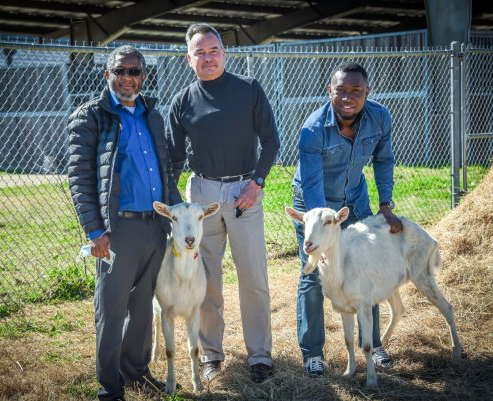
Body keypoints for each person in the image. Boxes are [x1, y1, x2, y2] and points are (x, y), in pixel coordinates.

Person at [167, 23, 280, 383]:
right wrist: (176, 204)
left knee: (253, 278)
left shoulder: (249, 89)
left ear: (224, 53)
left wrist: (256, 183)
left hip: (244, 192)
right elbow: (173, 159)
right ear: (189, 59)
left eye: (213, 50)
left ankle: (259, 355)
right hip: (202, 197)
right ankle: (211, 356)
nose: (208, 57)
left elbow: (272, 140)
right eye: (199, 52)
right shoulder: (182, 102)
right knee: (206, 278)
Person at [67, 45, 182, 401]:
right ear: (107, 74)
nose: (127, 78)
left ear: (144, 76)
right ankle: (110, 387)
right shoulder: (91, 116)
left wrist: (177, 216)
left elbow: (166, 169)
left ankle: (136, 372)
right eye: (120, 71)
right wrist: (95, 232)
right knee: (112, 308)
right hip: (117, 230)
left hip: (155, 227)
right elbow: (80, 178)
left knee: (143, 306)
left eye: (134, 71)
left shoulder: (152, 114)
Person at [291, 61, 403, 377]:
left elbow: (384, 159)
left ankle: (374, 345)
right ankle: (313, 354)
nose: (348, 97)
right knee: (314, 272)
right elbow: (313, 185)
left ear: (368, 92)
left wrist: (385, 205)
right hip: (315, 206)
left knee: (365, 269)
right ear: (330, 91)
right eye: (340, 90)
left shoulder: (380, 117)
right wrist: (323, 233)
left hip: (355, 202)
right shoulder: (313, 129)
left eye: (356, 90)